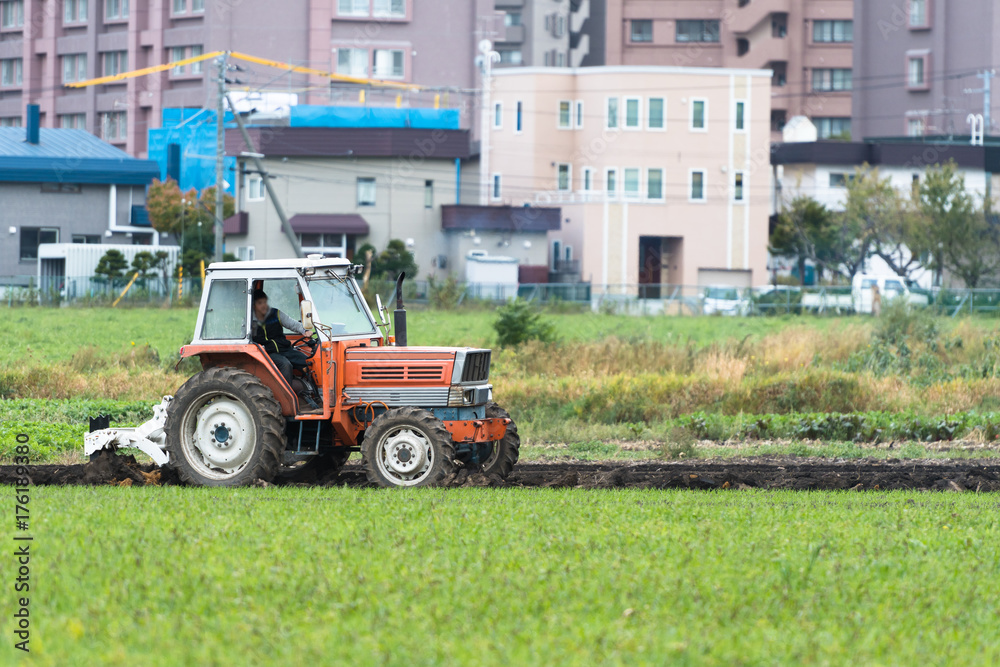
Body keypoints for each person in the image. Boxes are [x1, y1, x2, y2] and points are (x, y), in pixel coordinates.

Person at [251, 289, 319, 409]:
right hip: (267, 353)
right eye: (260, 303)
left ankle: (317, 396)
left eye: (265, 302)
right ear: (254, 305)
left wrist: (304, 330)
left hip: (284, 349)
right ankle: (286, 400)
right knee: (285, 364)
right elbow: (248, 339)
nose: (264, 305)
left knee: (310, 362)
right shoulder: (250, 320)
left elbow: (293, 324)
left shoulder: (276, 314)